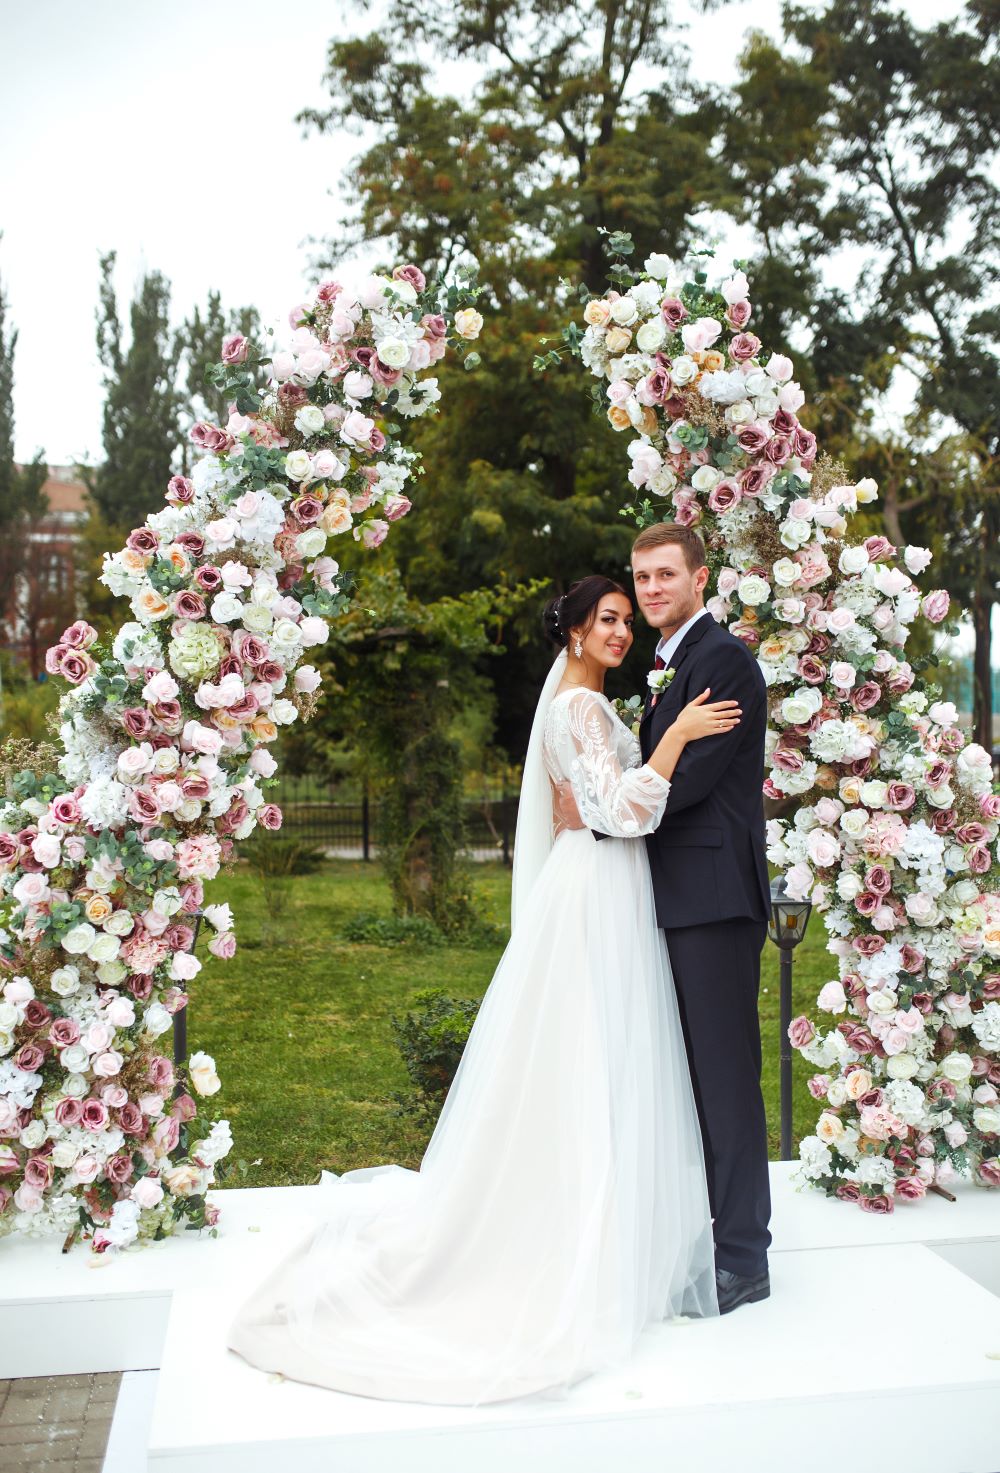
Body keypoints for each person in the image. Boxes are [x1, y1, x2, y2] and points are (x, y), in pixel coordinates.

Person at [226, 575, 742, 1405]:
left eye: (625, 619)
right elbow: (626, 812)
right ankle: (582, 1239)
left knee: (591, 1060)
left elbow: (599, 805)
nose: (620, 629)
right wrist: (676, 737)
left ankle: (598, 1225)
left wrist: (623, 776)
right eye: (605, 619)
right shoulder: (578, 706)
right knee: (593, 1056)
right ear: (573, 632)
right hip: (599, 890)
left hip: (599, 883)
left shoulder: (580, 703)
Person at [558, 525, 772, 1315]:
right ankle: (702, 1236)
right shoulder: (670, 665)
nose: (650, 589)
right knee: (684, 1082)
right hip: (674, 898)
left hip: (712, 900)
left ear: (699, 577)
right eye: (642, 576)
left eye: (664, 575)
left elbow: (680, 789)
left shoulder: (721, 663)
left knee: (723, 1082)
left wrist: (620, 807)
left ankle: (744, 1257)